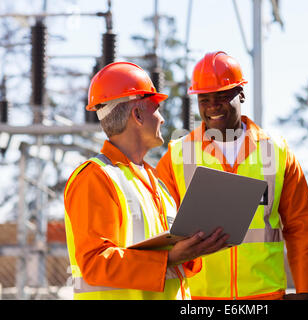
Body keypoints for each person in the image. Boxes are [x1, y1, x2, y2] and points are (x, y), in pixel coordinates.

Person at [156, 51, 308, 300]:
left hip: (264, 297)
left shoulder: (276, 151)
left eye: (222, 96)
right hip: (201, 298)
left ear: (241, 93)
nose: (212, 106)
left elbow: (303, 228)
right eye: (204, 99)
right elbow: (158, 231)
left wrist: (306, 292)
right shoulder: (177, 156)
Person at [64, 61, 229, 300]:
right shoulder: (96, 178)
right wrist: (171, 258)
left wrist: (193, 249)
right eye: (156, 108)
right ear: (138, 114)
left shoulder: (155, 182)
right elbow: (95, 264)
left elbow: (168, 261)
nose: (162, 119)